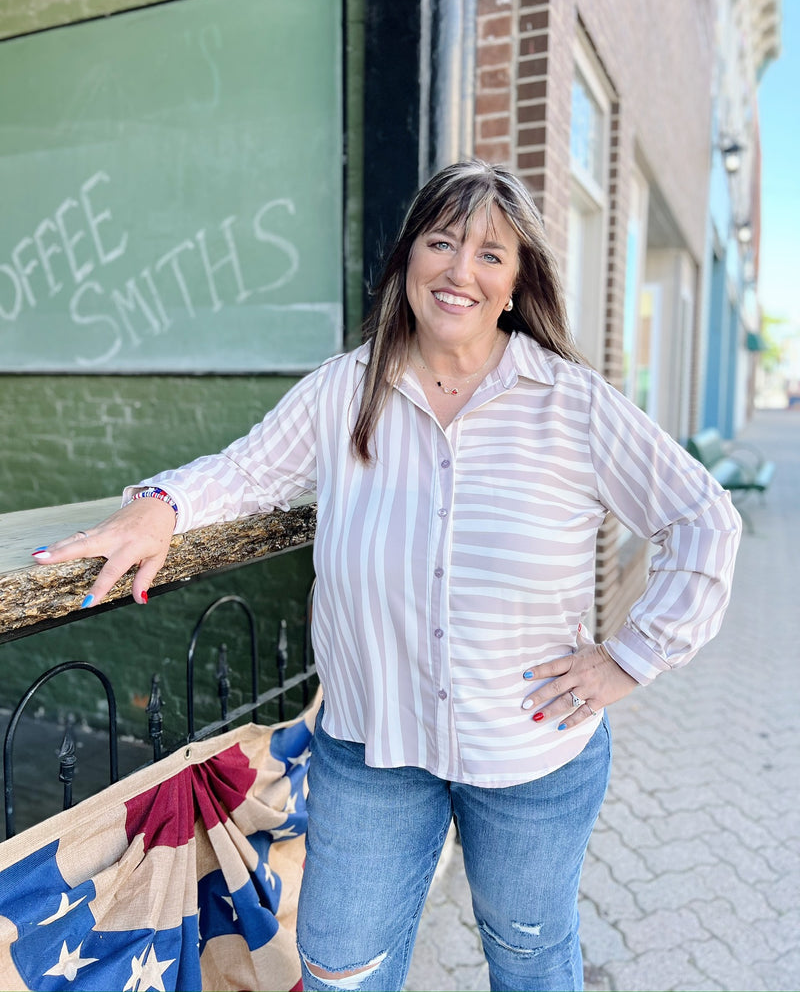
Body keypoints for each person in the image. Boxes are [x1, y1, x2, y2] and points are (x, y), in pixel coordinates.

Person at [32, 160, 741, 991]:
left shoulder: (573, 405)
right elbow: (247, 471)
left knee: (528, 954)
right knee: (338, 966)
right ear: (408, 260)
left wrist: (630, 658)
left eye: (489, 254)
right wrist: (159, 505)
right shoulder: (346, 389)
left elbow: (703, 521)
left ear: (516, 283)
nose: (459, 270)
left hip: (531, 750)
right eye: (441, 242)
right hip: (373, 748)